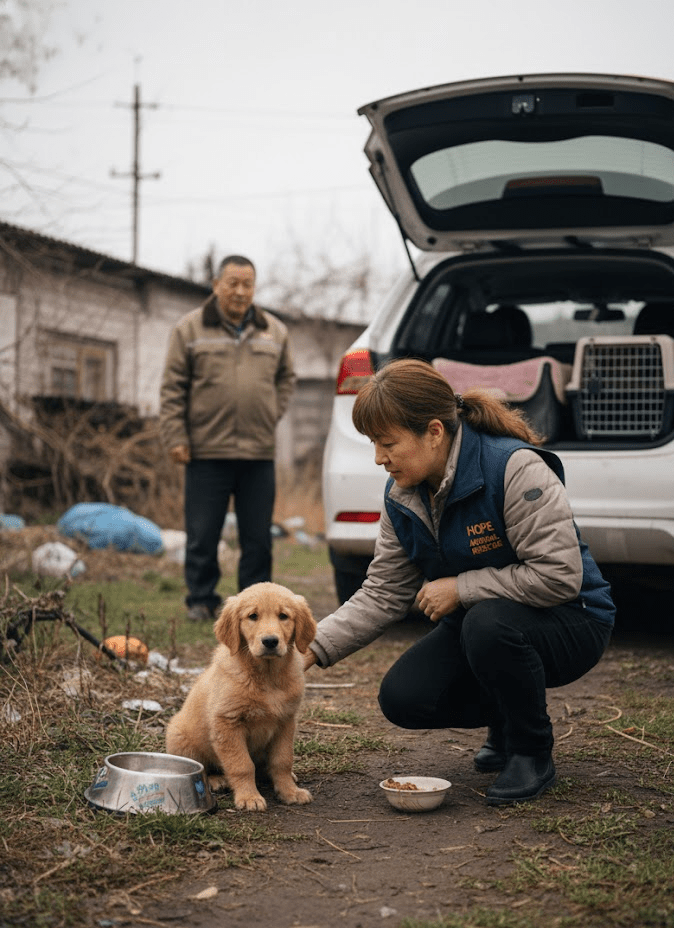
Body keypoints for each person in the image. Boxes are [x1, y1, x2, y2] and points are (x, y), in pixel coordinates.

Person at [303, 359, 615, 804]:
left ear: (433, 431)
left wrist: (461, 588)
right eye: (373, 443)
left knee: (487, 625)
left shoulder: (514, 468)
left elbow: (559, 576)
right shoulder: (403, 496)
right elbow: (383, 592)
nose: (378, 458)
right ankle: (507, 715)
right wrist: (311, 648)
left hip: (571, 619)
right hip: (487, 620)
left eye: (388, 443)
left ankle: (530, 750)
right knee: (404, 697)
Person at [159, 255, 296, 621]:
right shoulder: (189, 330)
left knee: (257, 539)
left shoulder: (275, 331)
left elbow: (286, 380)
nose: (240, 291)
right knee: (202, 534)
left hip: (258, 451)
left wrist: (270, 412)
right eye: (232, 283)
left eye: (247, 284)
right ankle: (201, 600)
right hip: (205, 450)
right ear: (216, 285)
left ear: (254, 287)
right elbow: (173, 387)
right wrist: (176, 434)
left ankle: (254, 607)